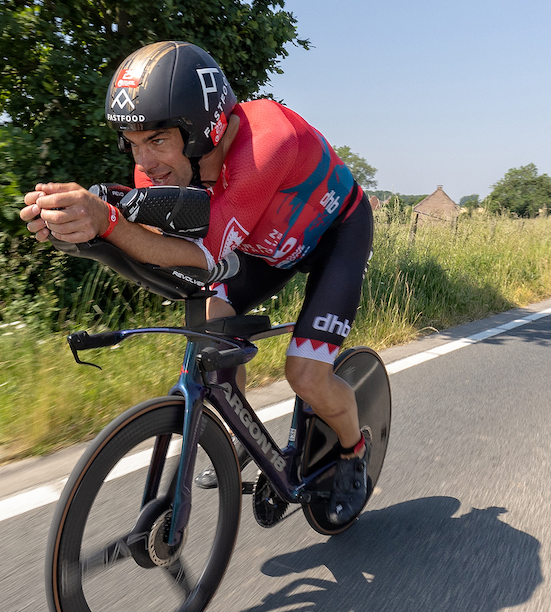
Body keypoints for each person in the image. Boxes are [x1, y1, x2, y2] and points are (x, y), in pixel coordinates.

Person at [20, 41, 375, 525]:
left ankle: (355, 452)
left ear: (202, 129)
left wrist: (107, 223)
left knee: (306, 374)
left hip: (336, 236)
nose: (144, 162)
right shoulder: (163, 166)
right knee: (213, 332)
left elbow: (201, 258)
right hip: (260, 245)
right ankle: (241, 438)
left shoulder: (268, 140)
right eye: (132, 142)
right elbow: (154, 249)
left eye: (157, 141)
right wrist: (80, 232)